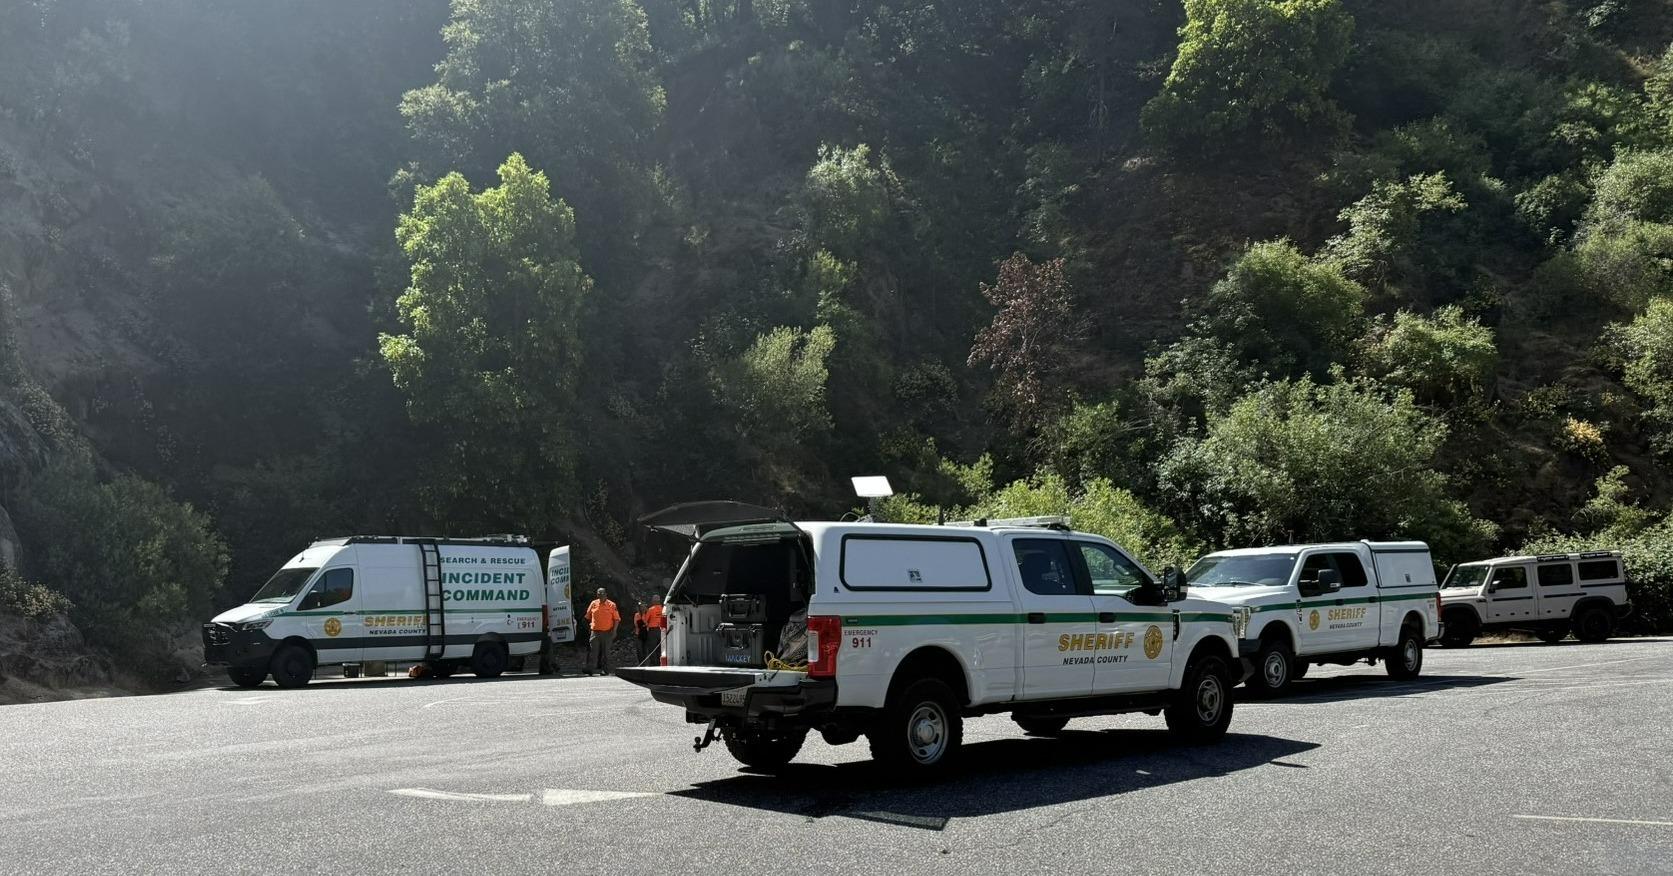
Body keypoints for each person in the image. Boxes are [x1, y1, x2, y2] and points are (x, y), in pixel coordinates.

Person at [584, 587, 620, 675]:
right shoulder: (593, 603)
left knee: (606, 652)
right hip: (595, 632)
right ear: (597, 595)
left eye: (602, 593)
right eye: (599, 594)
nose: (601, 595)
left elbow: (616, 619)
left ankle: (606, 670)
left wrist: (614, 631)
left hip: (607, 632)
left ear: (606, 594)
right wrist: (591, 626)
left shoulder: (612, 605)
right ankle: (590, 669)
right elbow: (587, 617)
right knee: (593, 651)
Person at [642, 595, 666, 663]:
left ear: (653, 601)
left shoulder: (651, 609)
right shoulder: (663, 609)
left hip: (653, 631)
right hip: (662, 630)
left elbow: (645, 621)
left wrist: (643, 613)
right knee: (661, 648)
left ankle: (653, 663)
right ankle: (660, 663)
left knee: (652, 648)